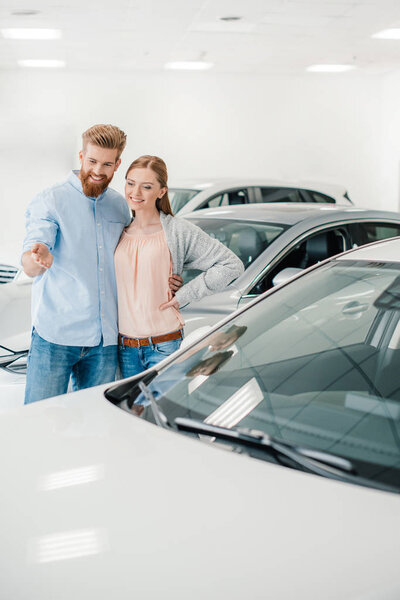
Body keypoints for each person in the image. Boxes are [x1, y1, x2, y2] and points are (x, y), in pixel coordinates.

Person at [22, 125, 182, 404]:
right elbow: (32, 255)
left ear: (117, 164)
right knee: (40, 420)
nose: (98, 170)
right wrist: (38, 258)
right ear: (81, 156)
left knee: (96, 424)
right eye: (92, 161)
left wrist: (169, 276)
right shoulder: (52, 200)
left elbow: (136, 254)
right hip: (56, 337)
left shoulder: (121, 206)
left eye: (107, 164)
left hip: (105, 343)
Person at [114, 155, 244, 379]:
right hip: (125, 348)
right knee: (131, 412)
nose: (135, 193)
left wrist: (185, 294)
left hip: (164, 345)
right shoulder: (117, 229)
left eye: (146, 187)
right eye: (130, 183)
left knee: (163, 412)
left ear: (162, 191)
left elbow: (231, 265)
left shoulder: (177, 231)